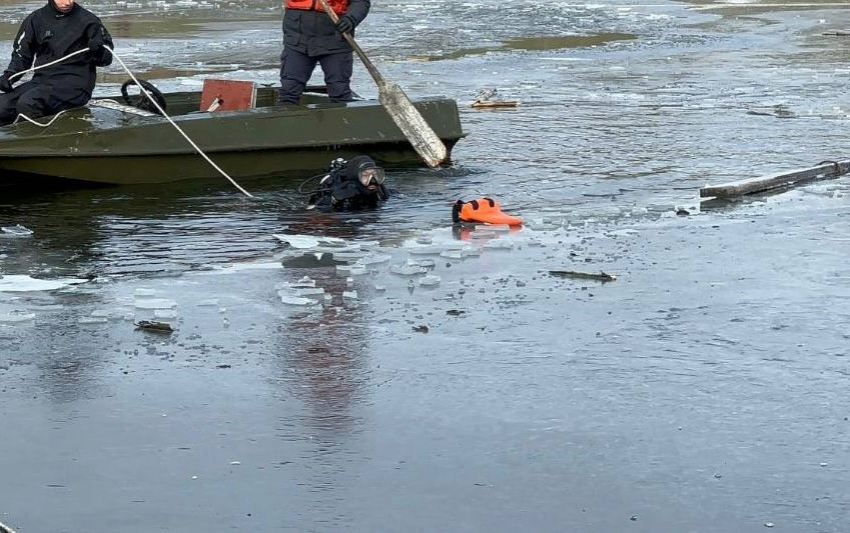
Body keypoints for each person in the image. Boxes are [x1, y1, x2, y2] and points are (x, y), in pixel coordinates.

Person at [0, 0, 113, 127]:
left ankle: (36, 140)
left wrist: (99, 51)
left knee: (29, 103)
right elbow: (22, 55)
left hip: (76, 84)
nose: (68, 2)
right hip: (43, 81)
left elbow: (106, 59)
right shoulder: (35, 19)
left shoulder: (89, 21)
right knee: (2, 105)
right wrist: (10, 76)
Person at [278, 0, 370, 105]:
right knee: (289, 91)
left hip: (336, 38)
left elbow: (361, 2)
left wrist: (350, 19)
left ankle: (342, 119)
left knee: (339, 91)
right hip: (297, 39)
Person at [306, 155, 389, 210]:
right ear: (356, 177)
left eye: (374, 174)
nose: (372, 180)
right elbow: (312, 208)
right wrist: (334, 201)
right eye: (365, 175)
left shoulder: (381, 191)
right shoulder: (339, 188)